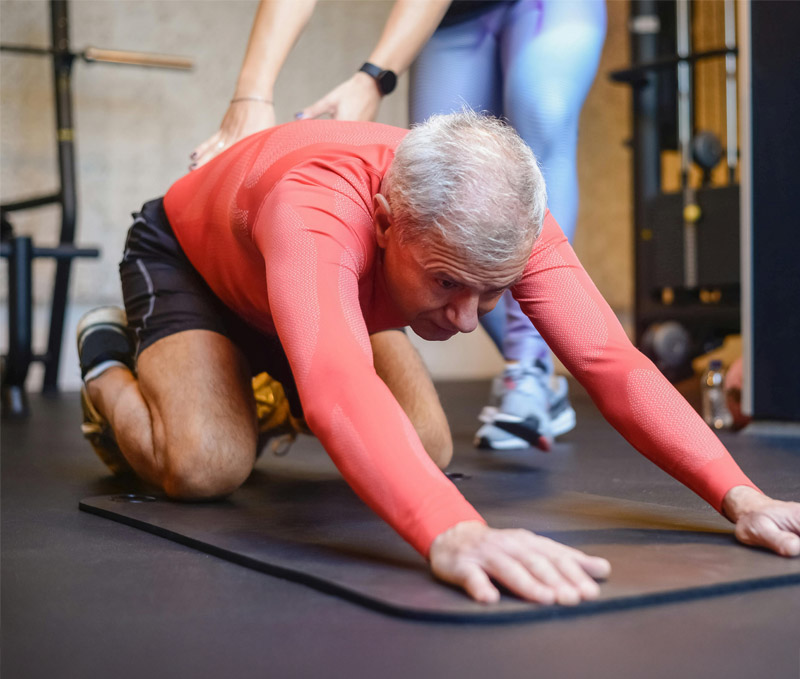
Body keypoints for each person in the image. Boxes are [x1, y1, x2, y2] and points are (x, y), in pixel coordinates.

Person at [79, 112, 800, 608]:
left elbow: (613, 361)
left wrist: (741, 497)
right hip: (198, 267)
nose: (462, 321)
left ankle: (246, 383)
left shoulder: (506, 217)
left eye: (490, 294)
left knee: (424, 445)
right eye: (447, 283)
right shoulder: (316, 208)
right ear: (388, 223)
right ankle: (110, 360)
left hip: (335, 295)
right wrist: (454, 531)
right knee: (208, 463)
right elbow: (336, 381)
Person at [189, 0, 605, 452]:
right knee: (446, 203)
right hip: (457, 18)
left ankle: (528, 370)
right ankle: (530, 364)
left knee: (542, 107)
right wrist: (253, 96)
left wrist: (374, 76)